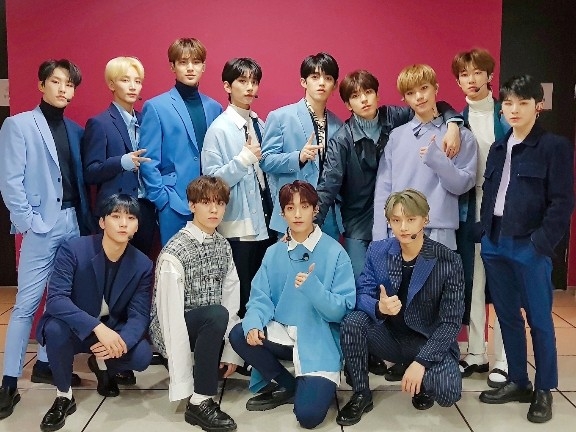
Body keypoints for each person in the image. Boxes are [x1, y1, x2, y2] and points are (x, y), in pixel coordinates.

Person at [478, 75, 574, 424]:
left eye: (522, 102)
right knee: (506, 316)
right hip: (495, 241)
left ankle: (544, 388)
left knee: (539, 320)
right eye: (508, 103)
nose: (514, 109)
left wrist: (541, 244)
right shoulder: (499, 146)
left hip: (529, 244)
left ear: (538, 105)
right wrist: (484, 234)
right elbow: (491, 193)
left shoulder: (554, 146)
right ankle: (518, 380)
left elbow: (562, 202)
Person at [0, 59, 92, 419]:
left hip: (73, 222)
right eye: (56, 82)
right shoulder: (19, 124)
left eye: (69, 85)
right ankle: (9, 383)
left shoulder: (76, 130)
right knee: (26, 303)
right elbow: (10, 181)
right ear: (42, 85)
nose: (63, 89)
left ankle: (45, 363)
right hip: (42, 225)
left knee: (62, 298)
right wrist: (30, 223)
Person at [229, 180, 356, 429]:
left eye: (304, 206)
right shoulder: (274, 252)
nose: (297, 214)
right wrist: (254, 323)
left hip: (318, 340)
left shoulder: (335, 252)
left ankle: (313, 387)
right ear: (282, 213)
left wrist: (314, 289)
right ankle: (291, 386)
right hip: (283, 334)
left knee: (308, 417)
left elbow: (342, 310)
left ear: (315, 210)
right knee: (240, 333)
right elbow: (260, 297)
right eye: (290, 208)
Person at [316, 69, 463, 279]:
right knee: (364, 280)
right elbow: (327, 187)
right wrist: (309, 226)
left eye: (368, 92)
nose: (364, 100)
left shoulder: (395, 116)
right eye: (355, 96)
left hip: (397, 217)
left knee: (397, 282)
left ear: (377, 95)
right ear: (348, 105)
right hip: (358, 220)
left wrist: (453, 124)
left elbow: (433, 106)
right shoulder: (341, 141)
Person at [337, 189, 465, 426]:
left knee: (448, 392)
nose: (403, 227)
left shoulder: (448, 260)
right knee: (352, 322)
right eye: (396, 220)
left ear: (425, 219)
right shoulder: (378, 251)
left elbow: (451, 322)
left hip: (425, 340)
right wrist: (379, 307)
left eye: (410, 219)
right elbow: (361, 294)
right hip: (389, 337)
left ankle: (422, 381)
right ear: (389, 222)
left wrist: (421, 362)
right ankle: (361, 393)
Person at [35, 194, 153, 432]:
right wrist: (97, 328)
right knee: (55, 329)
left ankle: (102, 364)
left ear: (137, 226)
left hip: (112, 328)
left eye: (130, 218)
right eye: (116, 216)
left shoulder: (143, 265)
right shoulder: (74, 249)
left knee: (141, 356)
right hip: (76, 328)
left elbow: (139, 315)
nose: (123, 223)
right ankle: (64, 396)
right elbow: (56, 300)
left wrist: (121, 341)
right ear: (102, 222)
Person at [149, 175, 242, 432]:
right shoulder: (176, 251)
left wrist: (230, 351)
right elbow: (170, 319)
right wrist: (183, 383)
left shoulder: (222, 245)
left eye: (219, 203)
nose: (214, 210)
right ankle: (199, 402)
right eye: (206, 202)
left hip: (208, 327)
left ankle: (209, 365)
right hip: (173, 329)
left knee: (223, 316)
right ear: (192, 206)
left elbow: (231, 300)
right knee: (215, 314)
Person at [451, 48, 510, 386]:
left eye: (477, 72)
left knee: (502, 283)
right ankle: (475, 352)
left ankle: (503, 357)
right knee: (473, 281)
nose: (471, 80)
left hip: (503, 209)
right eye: (464, 74)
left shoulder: (506, 113)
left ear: (489, 75)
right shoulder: (457, 119)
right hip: (470, 208)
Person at [373, 64, 477, 251]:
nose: (419, 97)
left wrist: (438, 161)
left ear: (436, 88)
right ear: (404, 98)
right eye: (411, 93)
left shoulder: (461, 136)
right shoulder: (396, 137)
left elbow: (463, 185)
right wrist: (380, 238)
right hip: (398, 234)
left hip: (440, 234)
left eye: (424, 88)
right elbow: (383, 190)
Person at [202, 58, 275, 317]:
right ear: (227, 86)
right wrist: (243, 160)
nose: (249, 87)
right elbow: (211, 183)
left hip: (266, 221)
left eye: (254, 82)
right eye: (242, 81)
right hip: (238, 227)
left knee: (262, 289)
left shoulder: (260, 123)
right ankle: (238, 341)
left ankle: (257, 337)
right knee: (240, 293)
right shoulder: (218, 129)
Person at [139, 38, 222, 245]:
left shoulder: (214, 107)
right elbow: (148, 160)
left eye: (196, 62)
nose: (190, 68)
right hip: (174, 201)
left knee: (207, 261)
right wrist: (162, 200)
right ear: (172, 66)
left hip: (211, 203)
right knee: (175, 261)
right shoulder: (156, 107)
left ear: (204, 66)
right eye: (183, 62)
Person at [260, 52, 342, 240]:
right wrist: (298, 157)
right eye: (315, 77)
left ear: (335, 85)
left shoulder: (339, 125)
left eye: (328, 78)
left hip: (328, 215)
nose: (321, 83)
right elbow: (265, 161)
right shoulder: (280, 117)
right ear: (303, 82)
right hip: (293, 212)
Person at [82, 56, 157, 258]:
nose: (133, 86)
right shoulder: (100, 123)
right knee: (112, 267)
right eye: (125, 80)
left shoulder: (147, 120)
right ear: (111, 84)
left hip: (145, 208)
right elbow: (90, 172)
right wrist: (121, 162)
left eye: (137, 81)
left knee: (141, 266)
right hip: (115, 210)